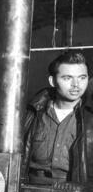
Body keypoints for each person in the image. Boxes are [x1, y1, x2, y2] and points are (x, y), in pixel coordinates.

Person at [22, 49, 93, 184]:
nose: (76, 85)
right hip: (31, 190)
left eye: (82, 77)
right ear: (52, 81)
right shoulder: (32, 113)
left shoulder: (90, 118)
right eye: (67, 78)